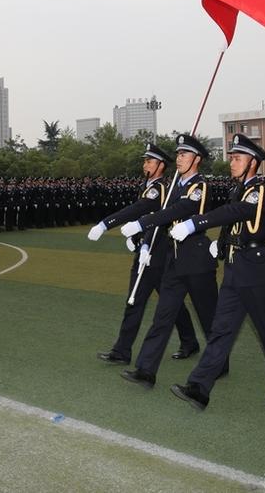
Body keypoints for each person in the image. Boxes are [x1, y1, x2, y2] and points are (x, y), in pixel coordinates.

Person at [168, 134, 265, 410]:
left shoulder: (258, 192)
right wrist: (222, 245)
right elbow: (230, 222)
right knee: (220, 330)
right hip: (235, 269)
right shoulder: (237, 189)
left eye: (238, 158)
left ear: (253, 163)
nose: (232, 163)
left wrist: (194, 223)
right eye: (231, 158)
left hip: (258, 271)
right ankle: (199, 388)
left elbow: (236, 212)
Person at [118, 134, 219, 389]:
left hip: (196, 260)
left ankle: (219, 362)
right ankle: (146, 370)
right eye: (178, 154)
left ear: (197, 159)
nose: (179, 158)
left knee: (208, 317)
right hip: (173, 259)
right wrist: (143, 237)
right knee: (163, 316)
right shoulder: (175, 185)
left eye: (184, 154)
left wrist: (142, 223)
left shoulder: (200, 186)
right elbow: (160, 211)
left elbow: (177, 212)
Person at [87, 143, 199, 365]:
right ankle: (122, 351)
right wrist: (137, 240)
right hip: (145, 253)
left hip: (158, 254)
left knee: (166, 303)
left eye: (150, 160)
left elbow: (141, 212)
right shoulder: (147, 186)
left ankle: (188, 342)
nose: (145, 164)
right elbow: (144, 219)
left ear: (160, 165)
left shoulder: (160, 190)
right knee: (137, 301)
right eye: (145, 160)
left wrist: (105, 223)